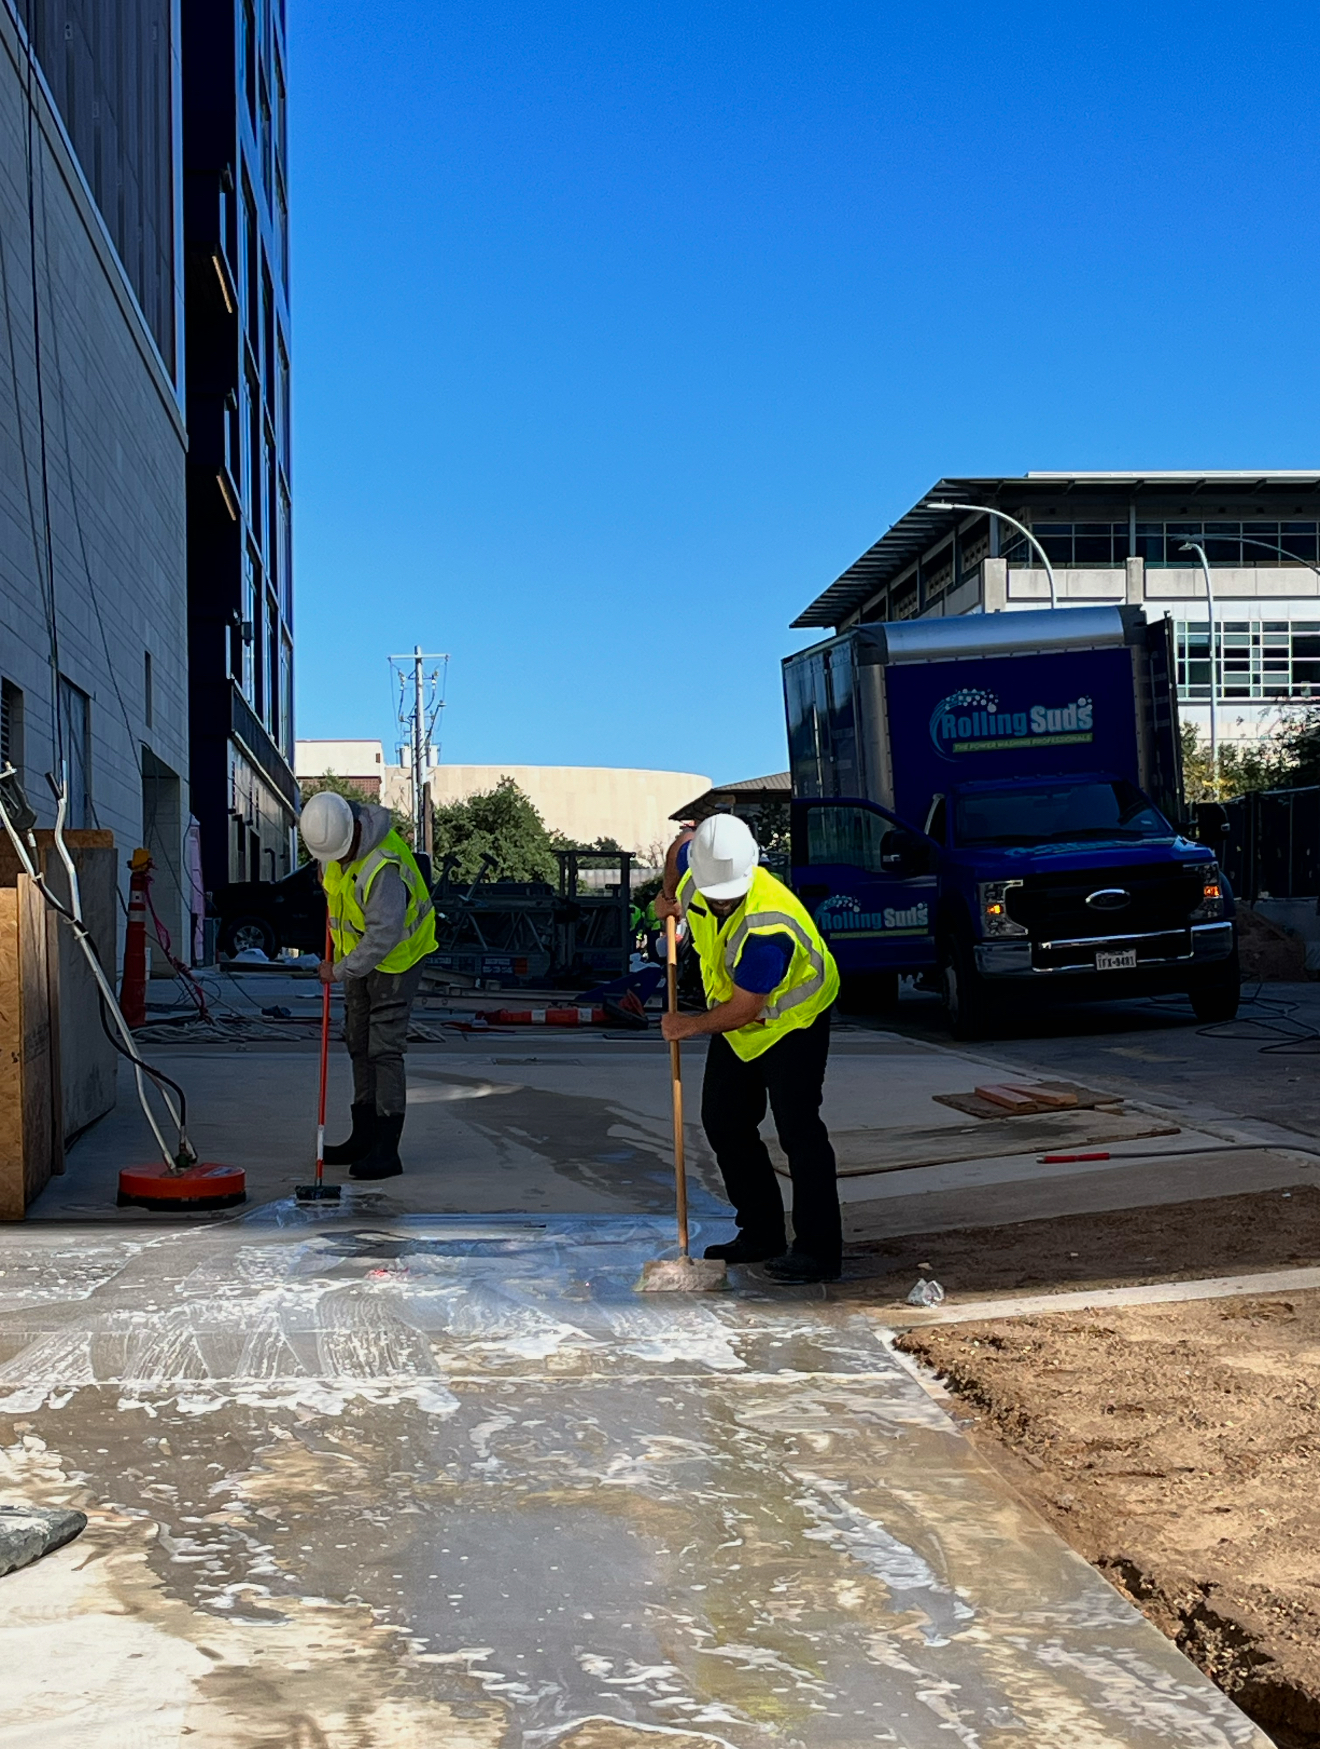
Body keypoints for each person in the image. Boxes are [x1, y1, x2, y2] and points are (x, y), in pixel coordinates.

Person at [655, 813, 842, 1283]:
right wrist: (669, 897)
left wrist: (688, 1026)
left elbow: (744, 1007)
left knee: (799, 1130)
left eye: (728, 895)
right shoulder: (701, 867)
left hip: (791, 1021)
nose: (720, 903)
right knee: (723, 1119)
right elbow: (681, 844)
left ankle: (818, 1251)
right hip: (740, 1022)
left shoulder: (768, 928)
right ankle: (760, 1232)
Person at [299, 791, 438, 1180]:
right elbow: (339, 902)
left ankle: (386, 1150)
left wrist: (339, 971)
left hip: (397, 959)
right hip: (356, 959)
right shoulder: (333, 854)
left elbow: (382, 936)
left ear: (352, 835)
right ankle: (363, 1136)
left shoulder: (383, 868)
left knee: (384, 1048)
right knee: (357, 1041)